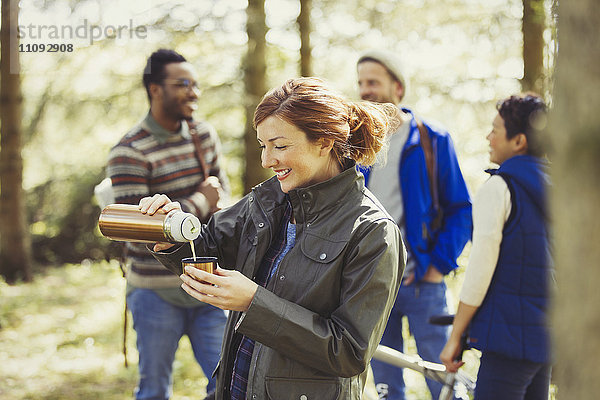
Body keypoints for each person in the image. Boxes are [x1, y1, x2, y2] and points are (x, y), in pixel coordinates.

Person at [140, 77, 405, 400]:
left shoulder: (372, 231)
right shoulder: (267, 200)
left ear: (323, 142)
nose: (267, 161)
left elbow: (348, 351)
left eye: (279, 146)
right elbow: (208, 247)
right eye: (263, 146)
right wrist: (171, 231)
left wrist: (254, 303)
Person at [106, 49, 229, 400]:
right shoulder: (129, 151)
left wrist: (195, 206)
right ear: (155, 89)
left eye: (195, 84)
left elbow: (223, 204)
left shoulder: (203, 136)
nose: (194, 92)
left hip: (207, 285)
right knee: (155, 390)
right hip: (154, 293)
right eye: (183, 84)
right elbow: (137, 230)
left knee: (228, 385)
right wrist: (198, 202)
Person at [356, 49, 472, 399]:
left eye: (373, 82)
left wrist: (438, 266)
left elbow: (460, 209)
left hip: (423, 280)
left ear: (398, 88)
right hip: (374, 282)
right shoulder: (358, 142)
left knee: (443, 379)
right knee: (387, 383)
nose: (365, 90)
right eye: (361, 83)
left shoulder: (431, 139)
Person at [440, 94, 552, 399]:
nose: (488, 137)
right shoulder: (558, 189)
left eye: (495, 129)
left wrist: (456, 335)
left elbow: (479, 271)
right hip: (546, 338)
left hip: (508, 339)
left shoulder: (501, 187)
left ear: (518, 141)